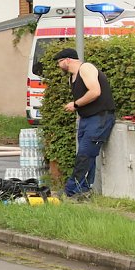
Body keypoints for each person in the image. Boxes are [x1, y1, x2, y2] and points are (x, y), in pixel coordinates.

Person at [53, 47, 116, 198]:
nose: (58, 66)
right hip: (87, 119)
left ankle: (70, 190)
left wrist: (75, 104)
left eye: (59, 62)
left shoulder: (86, 68)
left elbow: (95, 92)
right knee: (88, 155)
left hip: (100, 117)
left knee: (84, 154)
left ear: (67, 60)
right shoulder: (72, 77)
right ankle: (84, 189)